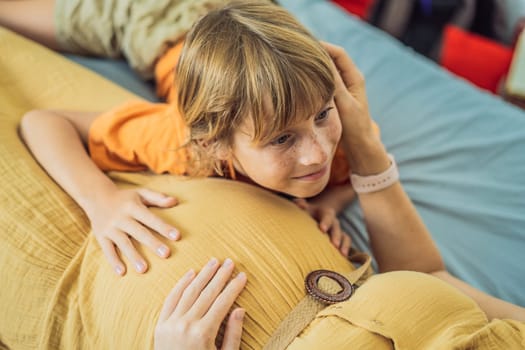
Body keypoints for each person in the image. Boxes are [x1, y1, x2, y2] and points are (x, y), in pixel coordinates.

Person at [3, 0, 525, 347]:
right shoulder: (184, 142)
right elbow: (44, 122)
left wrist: (330, 201)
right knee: (75, 14)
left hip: (242, 29)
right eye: (281, 139)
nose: (317, 153)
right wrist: (102, 202)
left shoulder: (335, 136)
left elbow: (345, 168)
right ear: (216, 141)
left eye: (324, 114)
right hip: (163, 23)